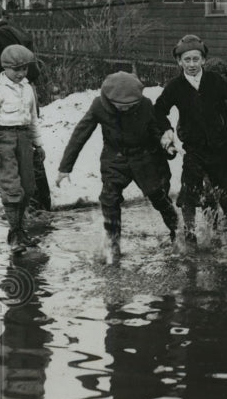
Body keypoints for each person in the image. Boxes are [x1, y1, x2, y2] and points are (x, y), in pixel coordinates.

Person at [56, 71, 179, 265]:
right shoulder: (99, 105)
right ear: (110, 101)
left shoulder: (145, 104)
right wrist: (65, 167)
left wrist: (165, 143)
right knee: (109, 198)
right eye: (122, 106)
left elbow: (154, 130)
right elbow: (80, 134)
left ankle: (177, 231)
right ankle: (113, 244)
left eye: (131, 106)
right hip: (115, 157)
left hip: (143, 157)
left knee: (158, 196)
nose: (127, 109)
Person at [153, 34, 227, 246]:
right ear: (179, 62)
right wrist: (167, 131)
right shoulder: (175, 86)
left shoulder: (215, 81)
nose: (192, 64)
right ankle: (190, 234)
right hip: (194, 149)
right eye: (187, 60)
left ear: (203, 60)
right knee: (189, 191)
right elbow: (158, 111)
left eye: (196, 59)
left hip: (222, 149)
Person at [0, 0, 51, 209]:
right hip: (23, 91)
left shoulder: (0, 34)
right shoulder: (15, 29)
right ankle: (39, 202)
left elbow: (14, 65)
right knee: (29, 148)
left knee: (23, 151)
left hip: (15, 93)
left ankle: (35, 203)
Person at [0, 45, 45, 254]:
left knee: (28, 186)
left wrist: (38, 144)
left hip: (24, 139)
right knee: (11, 187)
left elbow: (33, 119)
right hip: (4, 140)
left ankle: (20, 231)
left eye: (24, 69)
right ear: (5, 68)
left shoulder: (27, 89)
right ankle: (15, 233)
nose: (21, 74)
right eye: (16, 69)